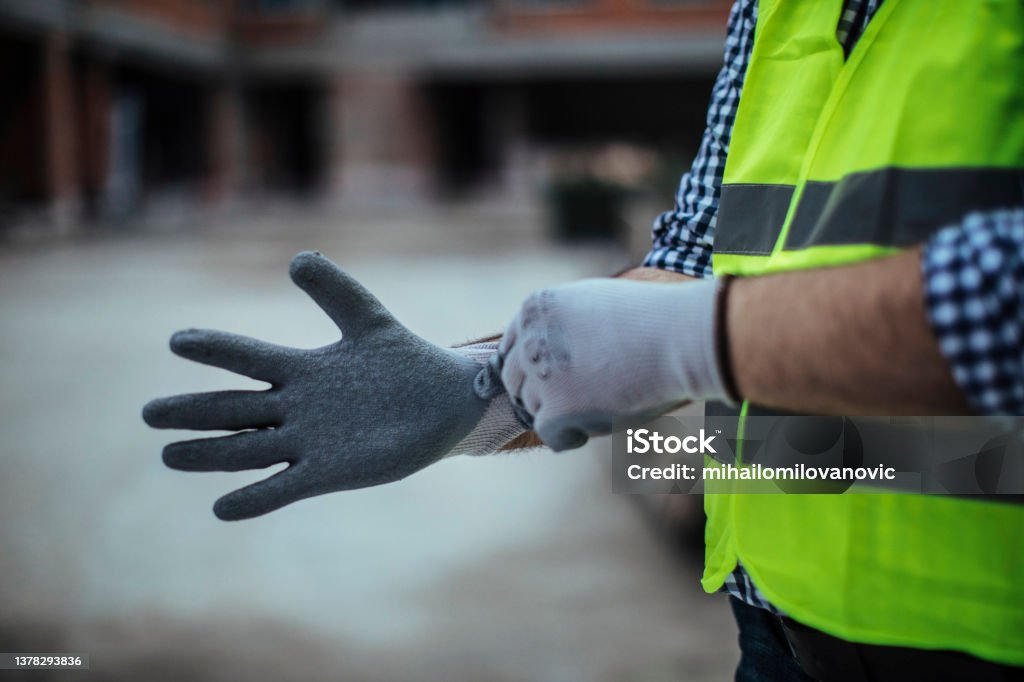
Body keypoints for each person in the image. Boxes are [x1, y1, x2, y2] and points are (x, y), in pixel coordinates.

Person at [145, 1, 1024, 679]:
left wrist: (693, 340)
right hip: (782, 631)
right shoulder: (780, 7)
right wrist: (478, 390)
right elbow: (687, 258)